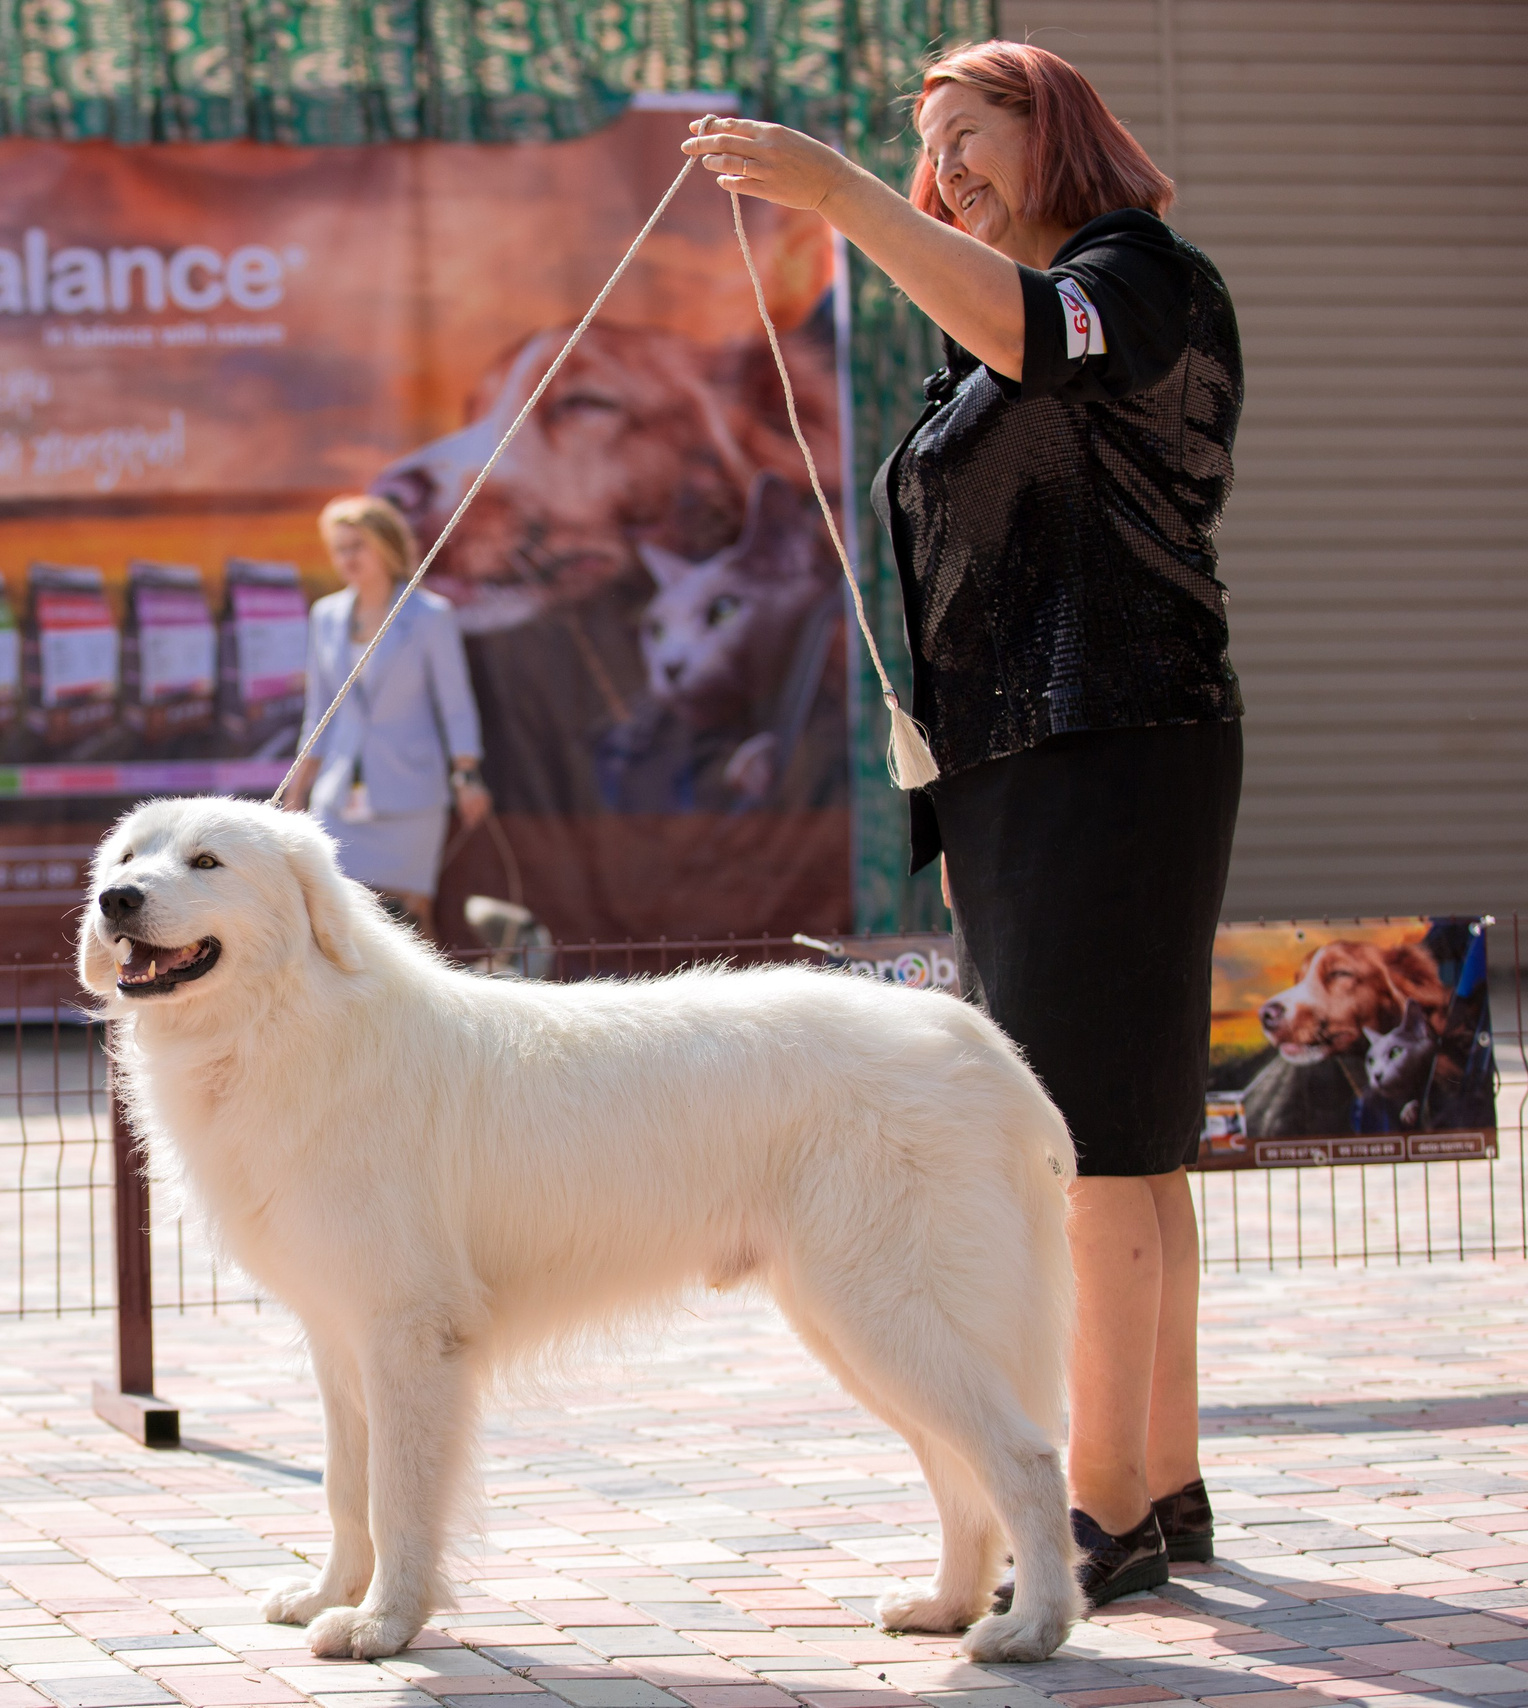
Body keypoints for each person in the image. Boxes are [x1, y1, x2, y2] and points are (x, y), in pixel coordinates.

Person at [684, 41, 1244, 1605]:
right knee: (1128, 1147)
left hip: (1109, 743)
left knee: (1091, 1151)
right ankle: (1169, 1481)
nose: (952, 170)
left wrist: (840, 195)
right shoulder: (1013, 296)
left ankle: (1106, 1508)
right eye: (928, 150)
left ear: (1050, 125)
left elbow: (1040, 344)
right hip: (1032, 759)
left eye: (967, 137)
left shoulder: (1137, 277)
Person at [283, 495, 491, 925]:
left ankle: (421, 997)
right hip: (338, 799)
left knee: (413, 918)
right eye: (339, 548)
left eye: (357, 545)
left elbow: (455, 704)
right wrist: (297, 791)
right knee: (334, 918)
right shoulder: (325, 615)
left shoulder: (430, 614)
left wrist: (466, 774)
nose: (347, 558)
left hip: (411, 794)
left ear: (386, 546)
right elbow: (319, 712)